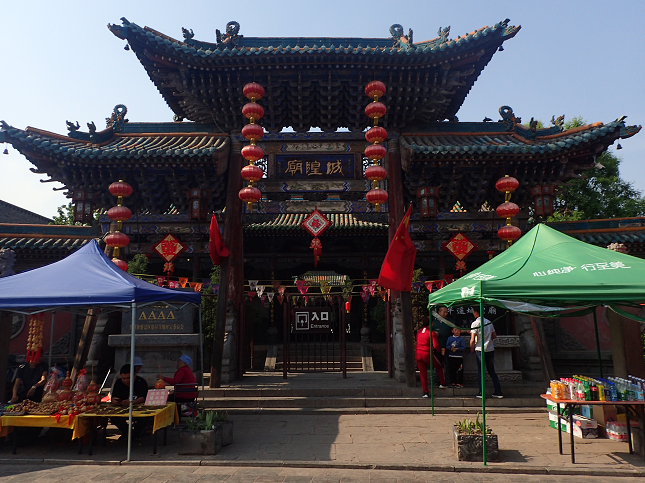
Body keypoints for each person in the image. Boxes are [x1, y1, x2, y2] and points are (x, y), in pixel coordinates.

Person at [470, 307, 503, 399]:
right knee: (491, 371)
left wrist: (472, 348)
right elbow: (494, 335)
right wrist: (488, 340)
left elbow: (472, 339)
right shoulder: (489, 322)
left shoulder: (475, 323)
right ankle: (498, 391)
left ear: (476, 312)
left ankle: (481, 392)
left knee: (481, 371)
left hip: (480, 349)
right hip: (490, 349)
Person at [110, 364, 149, 439]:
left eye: (128, 378)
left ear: (134, 374)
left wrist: (132, 402)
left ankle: (136, 433)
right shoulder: (118, 383)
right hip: (121, 408)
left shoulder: (141, 382)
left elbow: (143, 397)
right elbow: (114, 396)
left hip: (139, 408)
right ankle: (127, 432)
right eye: (123, 378)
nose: (126, 381)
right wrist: (114, 400)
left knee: (145, 417)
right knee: (113, 417)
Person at [416, 318, 446, 398]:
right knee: (439, 366)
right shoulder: (431, 333)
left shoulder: (419, 331)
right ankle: (442, 383)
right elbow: (436, 345)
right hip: (427, 353)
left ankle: (425, 391)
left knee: (423, 373)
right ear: (431, 324)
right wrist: (438, 351)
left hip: (418, 353)